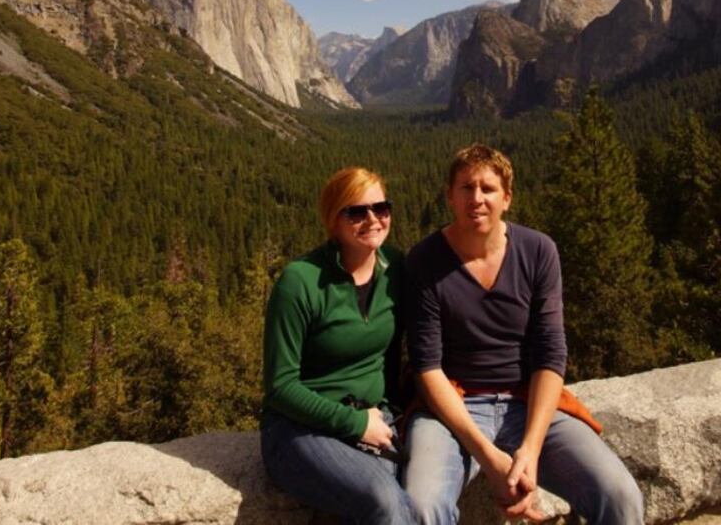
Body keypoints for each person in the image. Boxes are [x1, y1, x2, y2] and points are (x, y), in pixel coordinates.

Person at [403, 144, 644, 525]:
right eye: (466, 188)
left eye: (488, 188)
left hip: (526, 403)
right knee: (421, 506)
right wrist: (488, 456)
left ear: (507, 198)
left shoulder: (538, 251)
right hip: (453, 409)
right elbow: (427, 367)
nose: (476, 199)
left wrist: (529, 450)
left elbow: (551, 353)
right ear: (450, 196)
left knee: (620, 495)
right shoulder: (424, 261)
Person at [261, 167, 418, 524]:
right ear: (333, 218)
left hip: (376, 419)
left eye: (382, 208)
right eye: (356, 212)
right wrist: (354, 422)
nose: (373, 219)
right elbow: (279, 386)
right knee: (383, 499)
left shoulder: (395, 267)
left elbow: (397, 352)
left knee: (417, 491)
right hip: (298, 430)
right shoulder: (300, 282)